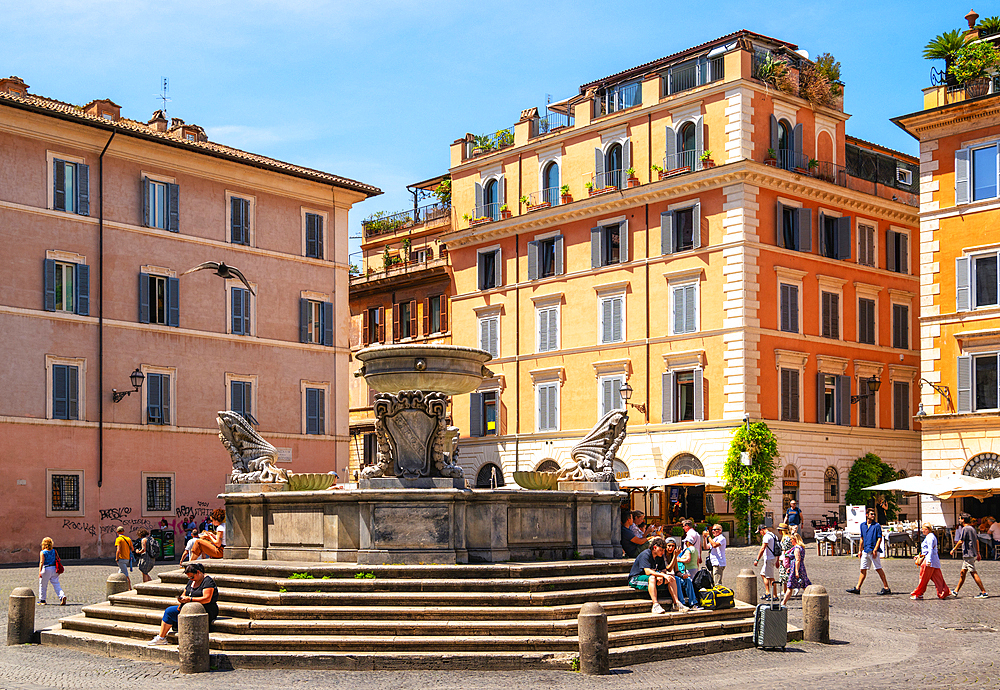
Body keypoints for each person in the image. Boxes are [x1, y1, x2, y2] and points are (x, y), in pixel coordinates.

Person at [148, 563, 219, 645]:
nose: (191, 579)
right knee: (169, 611)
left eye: (192, 577)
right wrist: (182, 599)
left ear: (199, 572)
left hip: (205, 609)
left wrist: (190, 599)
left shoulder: (207, 582)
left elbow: (207, 599)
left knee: (173, 612)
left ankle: (164, 638)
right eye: (189, 577)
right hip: (188, 607)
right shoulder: (191, 581)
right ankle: (161, 637)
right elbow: (184, 593)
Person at [627, 536, 684, 614]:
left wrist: (661, 574)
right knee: (652, 578)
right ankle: (655, 605)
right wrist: (661, 575)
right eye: (660, 550)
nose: (662, 552)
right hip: (636, 579)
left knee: (671, 578)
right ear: (654, 547)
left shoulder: (659, 556)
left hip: (652, 579)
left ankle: (676, 603)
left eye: (663, 550)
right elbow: (647, 571)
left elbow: (663, 570)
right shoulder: (646, 554)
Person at [846, 508, 891, 596]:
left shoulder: (877, 526)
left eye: (874, 514)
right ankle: (858, 588)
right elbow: (862, 538)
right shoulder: (862, 525)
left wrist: (875, 549)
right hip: (865, 550)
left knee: (878, 568)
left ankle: (886, 588)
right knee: (863, 569)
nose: (873, 516)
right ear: (867, 515)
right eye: (871, 514)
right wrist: (859, 550)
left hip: (873, 550)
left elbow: (879, 538)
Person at [950, 513, 988, 598]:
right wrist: (978, 552)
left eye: (960, 519)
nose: (959, 520)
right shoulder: (972, 528)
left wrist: (953, 549)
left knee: (973, 572)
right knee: (963, 572)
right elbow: (977, 541)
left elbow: (960, 541)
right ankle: (956, 591)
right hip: (971, 553)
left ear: (963, 520)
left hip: (968, 554)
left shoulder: (965, 529)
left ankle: (983, 592)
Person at [911, 522, 952, 600]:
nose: (922, 531)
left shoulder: (929, 537)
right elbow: (928, 550)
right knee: (938, 578)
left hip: (929, 561)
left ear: (927, 529)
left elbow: (930, 549)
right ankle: (943, 592)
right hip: (934, 561)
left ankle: (919, 593)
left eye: (923, 530)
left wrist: (928, 560)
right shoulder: (931, 536)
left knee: (923, 578)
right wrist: (919, 556)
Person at [780, 533, 811, 605]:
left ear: (795, 539)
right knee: (804, 585)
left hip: (797, 568)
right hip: (798, 567)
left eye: (791, 539)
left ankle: (783, 603)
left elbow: (797, 560)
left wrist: (796, 571)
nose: (790, 541)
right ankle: (813, 598)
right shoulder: (800, 547)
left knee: (790, 586)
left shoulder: (797, 548)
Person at [675, 535, 702, 610]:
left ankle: (690, 602)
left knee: (689, 581)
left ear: (687, 542)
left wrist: (679, 560)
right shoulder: (695, 549)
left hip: (688, 569)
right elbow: (697, 561)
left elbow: (688, 559)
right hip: (695, 568)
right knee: (691, 582)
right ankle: (692, 602)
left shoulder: (688, 550)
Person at [752, 524, 778, 601]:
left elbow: (762, 548)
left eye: (759, 532)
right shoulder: (774, 535)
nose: (760, 534)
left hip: (769, 559)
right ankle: (767, 592)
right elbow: (777, 547)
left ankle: (775, 595)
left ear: (762, 530)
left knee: (770, 577)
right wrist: (777, 560)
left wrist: (757, 559)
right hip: (772, 557)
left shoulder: (766, 536)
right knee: (763, 574)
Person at [38, 537, 66, 606]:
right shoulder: (54, 551)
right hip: (54, 568)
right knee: (56, 584)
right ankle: (62, 596)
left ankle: (42, 600)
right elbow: (57, 559)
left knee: (43, 585)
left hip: (46, 568)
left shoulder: (43, 552)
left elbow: (42, 562)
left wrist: (40, 571)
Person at [776, 523, 794, 597]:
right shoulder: (787, 537)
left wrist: (782, 559)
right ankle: (785, 590)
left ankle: (787, 590)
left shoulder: (786, 538)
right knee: (784, 575)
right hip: (787, 557)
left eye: (779, 530)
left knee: (785, 574)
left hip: (785, 558)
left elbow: (785, 550)